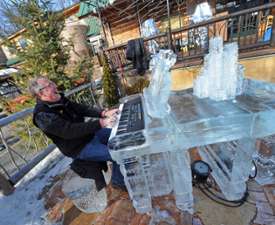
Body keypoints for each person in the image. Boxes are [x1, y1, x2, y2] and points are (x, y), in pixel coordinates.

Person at [29, 76, 125, 189]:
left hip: (90, 135)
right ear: (41, 93)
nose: (54, 86)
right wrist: (101, 123)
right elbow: (69, 131)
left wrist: (103, 113)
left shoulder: (58, 99)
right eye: (49, 85)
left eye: (52, 82)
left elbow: (81, 109)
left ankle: (126, 168)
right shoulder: (42, 115)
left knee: (121, 135)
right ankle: (118, 182)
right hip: (79, 147)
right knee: (120, 153)